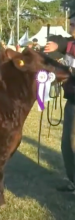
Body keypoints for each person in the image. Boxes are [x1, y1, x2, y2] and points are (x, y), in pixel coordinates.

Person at [44, 12, 75, 193]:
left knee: (72, 144)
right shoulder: (70, 42)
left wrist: (66, 75)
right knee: (66, 145)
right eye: (70, 24)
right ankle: (72, 181)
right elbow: (60, 40)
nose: (70, 28)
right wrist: (57, 43)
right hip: (71, 100)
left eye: (72, 25)